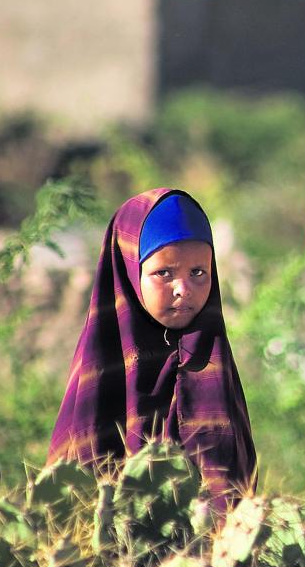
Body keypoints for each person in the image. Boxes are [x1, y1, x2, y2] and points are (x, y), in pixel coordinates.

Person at [48, 188, 256, 512]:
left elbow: (235, 499)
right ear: (130, 273)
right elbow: (71, 512)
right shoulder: (98, 380)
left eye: (198, 272)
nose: (183, 289)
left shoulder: (214, 369)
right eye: (164, 273)